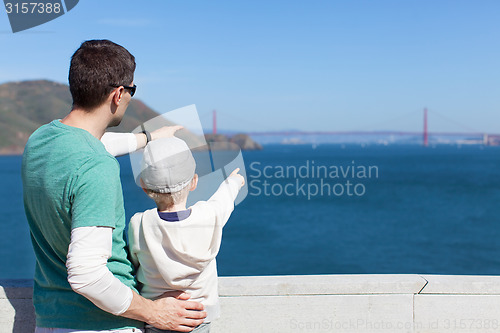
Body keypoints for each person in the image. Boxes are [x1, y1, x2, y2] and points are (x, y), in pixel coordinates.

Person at [22, 39, 206, 332]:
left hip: (50, 320)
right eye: (132, 90)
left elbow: (89, 145)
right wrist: (155, 313)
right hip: (101, 325)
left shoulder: (40, 141)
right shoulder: (97, 167)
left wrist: (146, 138)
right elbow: (86, 275)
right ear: (118, 94)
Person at [128, 137, 245, 333]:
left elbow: (133, 261)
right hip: (200, 316)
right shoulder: (209, 216)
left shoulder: (139, 223)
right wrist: (234, 181)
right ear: (194, 182)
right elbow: (224, 199)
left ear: (145, 187)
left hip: (157, 316)